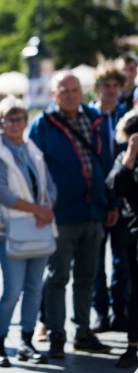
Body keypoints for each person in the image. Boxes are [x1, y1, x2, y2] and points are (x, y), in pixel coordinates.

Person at [28, 71, 116, 358]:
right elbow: (32, 169)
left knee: (87, 276)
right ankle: (56, 335)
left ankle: (83, 331)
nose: (69, 95)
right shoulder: (43, 125)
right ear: (53, 95)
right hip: (60, 215)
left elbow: (107, 163)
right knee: (58, 277)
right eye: (63, 91)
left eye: (74, 90)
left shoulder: (94, 119)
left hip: (93, 211)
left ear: (82, 92)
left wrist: (110, 202)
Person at [0, 95, 56, 367]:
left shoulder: (32, 148)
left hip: (39, 227)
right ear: (1, 122)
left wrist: (47, 208)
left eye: (20, 118)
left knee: (35, 289)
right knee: (12, 290)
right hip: (9, 230)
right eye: (10, 119)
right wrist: (38, 209)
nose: (15, 124)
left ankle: (26, 341)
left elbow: (49, 184)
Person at [88, 65, 130, 334]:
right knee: (94, 261)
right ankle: (99, 311)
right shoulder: (87, 117)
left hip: (124, 198)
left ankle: (120, 309)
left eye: (115, 85)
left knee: (122, 259)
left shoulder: (127, 116)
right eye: (106, 85)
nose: (111, 90)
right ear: (97, 88)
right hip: (94, 198)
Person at [106, 109, 138, 369]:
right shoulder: (125, 158)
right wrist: (130, 156)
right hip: (135, 235)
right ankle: (133, 346)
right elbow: (115, 186)